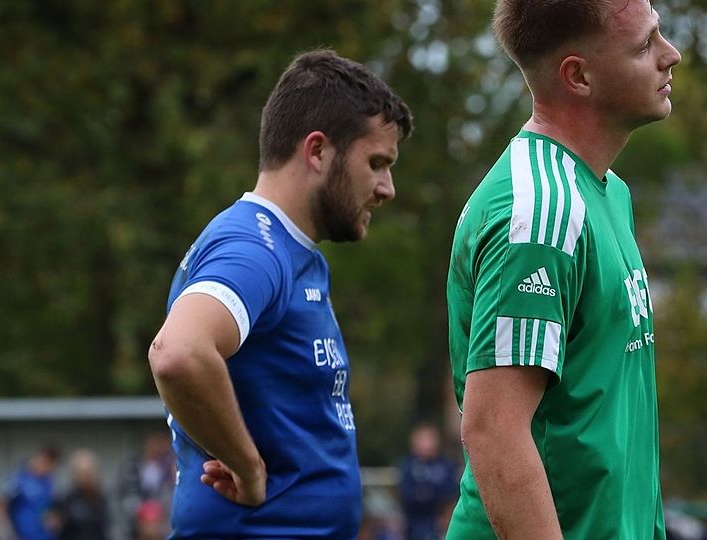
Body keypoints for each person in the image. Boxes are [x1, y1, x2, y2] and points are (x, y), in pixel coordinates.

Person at [147, 48, 413, 538]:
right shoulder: (255, 248)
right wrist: (247, 469)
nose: (386, 188)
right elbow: (177, 353)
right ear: (317, 151)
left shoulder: (294, 252)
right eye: (376, 163)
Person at [445, 0, 681, 538]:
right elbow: (492, 430)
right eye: (645, 45)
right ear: (578, 76)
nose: (672, 55)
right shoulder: (540, 218)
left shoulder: (607, 193)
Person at [397, 423, 460, 540]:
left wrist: (426, 493)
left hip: (441, 523)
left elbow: (451, 492)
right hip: (414, 524)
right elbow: (407, 494)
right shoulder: (407, 466)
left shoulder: (446, 465)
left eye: (430, 439)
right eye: (422, 439)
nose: (427, 444)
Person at [115, 433, 174, 539]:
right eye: (152, 444)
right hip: (138, 513)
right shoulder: (132, 466)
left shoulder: (169, 467)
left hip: (161, 514)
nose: (155, 447)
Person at [0, 446, 59, 540]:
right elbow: (2, 505)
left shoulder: (48, 482)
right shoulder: (19, 478)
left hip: (44, 536)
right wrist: (6, 534)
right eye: (46, 462)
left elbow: (51, 508)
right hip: (22, 536)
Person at [52, 449, 109, 540]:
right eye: (82, 472)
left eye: (89, 472)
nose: (86, 476)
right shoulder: (65, 500)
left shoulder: (103, 500)